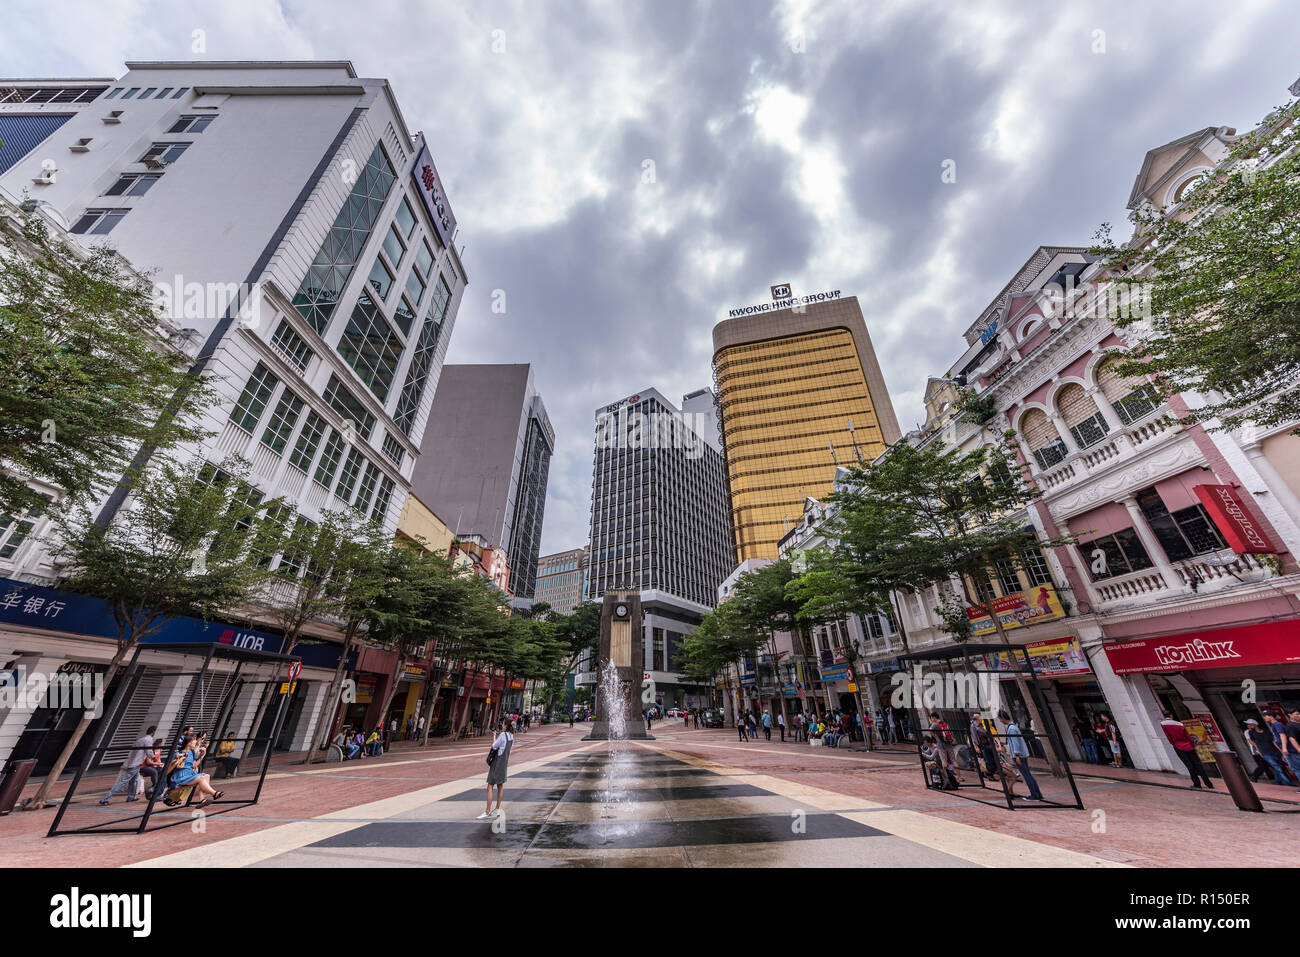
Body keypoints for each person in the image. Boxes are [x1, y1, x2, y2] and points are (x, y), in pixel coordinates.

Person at [100, 725, 156, 805]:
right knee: (123, 781)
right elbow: (149, 751)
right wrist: (153, 758)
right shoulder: (148, 740)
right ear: (153, 732)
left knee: (134, 781)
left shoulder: (140, 739)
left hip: (134, 763)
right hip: (135, 764)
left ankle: (131, 797)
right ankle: (104, 798)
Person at [1158, 713, 1214, 789]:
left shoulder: (1163, 724)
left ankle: (1197, 784)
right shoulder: (1180, 724)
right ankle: (1208, 784)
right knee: (1198, 765)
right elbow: (1187, 736)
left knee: (1189, 766)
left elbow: (1168, 736)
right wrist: (1192, 745)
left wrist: (1174, 744)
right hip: (1189, 746)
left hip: (1178, 747)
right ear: (1171, 716)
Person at [166, 733, 222, 807]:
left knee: (207, 776)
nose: (196, 742)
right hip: (180, 777)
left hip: (189, 774)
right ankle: (214, 793)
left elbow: (194, 766)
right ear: (189, 743)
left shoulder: (192, 753)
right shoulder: (178, 753)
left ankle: (202, 800)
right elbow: (167, 771)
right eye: (194, 741)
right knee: (201, 778)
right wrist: (177, 762)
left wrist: (202, 755)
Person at [999, 710, 1043, 801]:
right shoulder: (1013, 727)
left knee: (1026, 775)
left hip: (1020, 755)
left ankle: (1034, 795)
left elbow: (1016, 743)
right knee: (1028, 774)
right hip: (1022, 754)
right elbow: (1013, 741)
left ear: (1003, 718)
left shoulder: (1011, 729)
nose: (1000, 721)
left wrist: (1017, 755)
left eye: (1000, 719)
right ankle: (1037, 794)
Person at [478, 717, 515, 820]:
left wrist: (494, 736)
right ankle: (497, 809)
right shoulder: (511, 736)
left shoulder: (503, 735)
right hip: (504, 764)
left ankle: (487, 811)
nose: (501, 726)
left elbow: (494, 746)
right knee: (500, 786)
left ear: (506, 725)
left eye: (502, 724)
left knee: (490, 786)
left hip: (497, 763)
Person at [1245, 719, 1291, 786]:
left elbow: (1273, 741)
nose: (1248, 725)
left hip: (1275, 751)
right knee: (1277, 767)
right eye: (1248, 724)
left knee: (1278, 768)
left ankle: (1277, 782)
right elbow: (1253, 743)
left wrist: (1281, 750)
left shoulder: (1266, 731)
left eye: (1250, 724)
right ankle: (1290, 784)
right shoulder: (1250, 732)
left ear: (1255, 724)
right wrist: (1259, 751)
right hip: (1265, 753)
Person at [971, 713, 999, 780]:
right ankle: (988, 774)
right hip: (982, 745)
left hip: (988, 744)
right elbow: (974, 736)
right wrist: (976, 746)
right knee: (986, 760)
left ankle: (992, 773)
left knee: (991, 759)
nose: (981, 718)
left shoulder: (981, 725)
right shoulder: (973, 726)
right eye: (979, 717)